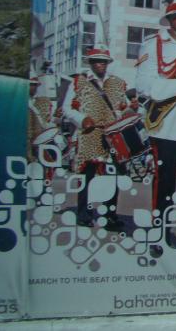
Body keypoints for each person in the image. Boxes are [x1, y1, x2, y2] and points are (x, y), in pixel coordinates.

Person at [135, 0, 176, 248]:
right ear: (170, 19)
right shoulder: (154, 45)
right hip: (167, 121)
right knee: (165, 181)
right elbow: (145, 87)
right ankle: (159, 234)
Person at [62, 45, 132, 231]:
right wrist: (81, 119)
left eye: (103, 61)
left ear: (107, 63)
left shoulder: (117, 83)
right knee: (87, 175)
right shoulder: (78, 82)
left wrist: (130, 110)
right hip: (89, 135)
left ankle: (110, 216)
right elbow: (67, 108)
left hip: (112, 136)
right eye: (96, 61)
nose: (100, 64)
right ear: (90, 63)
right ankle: (83, 214)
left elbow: (124, 107)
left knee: (113, 176)